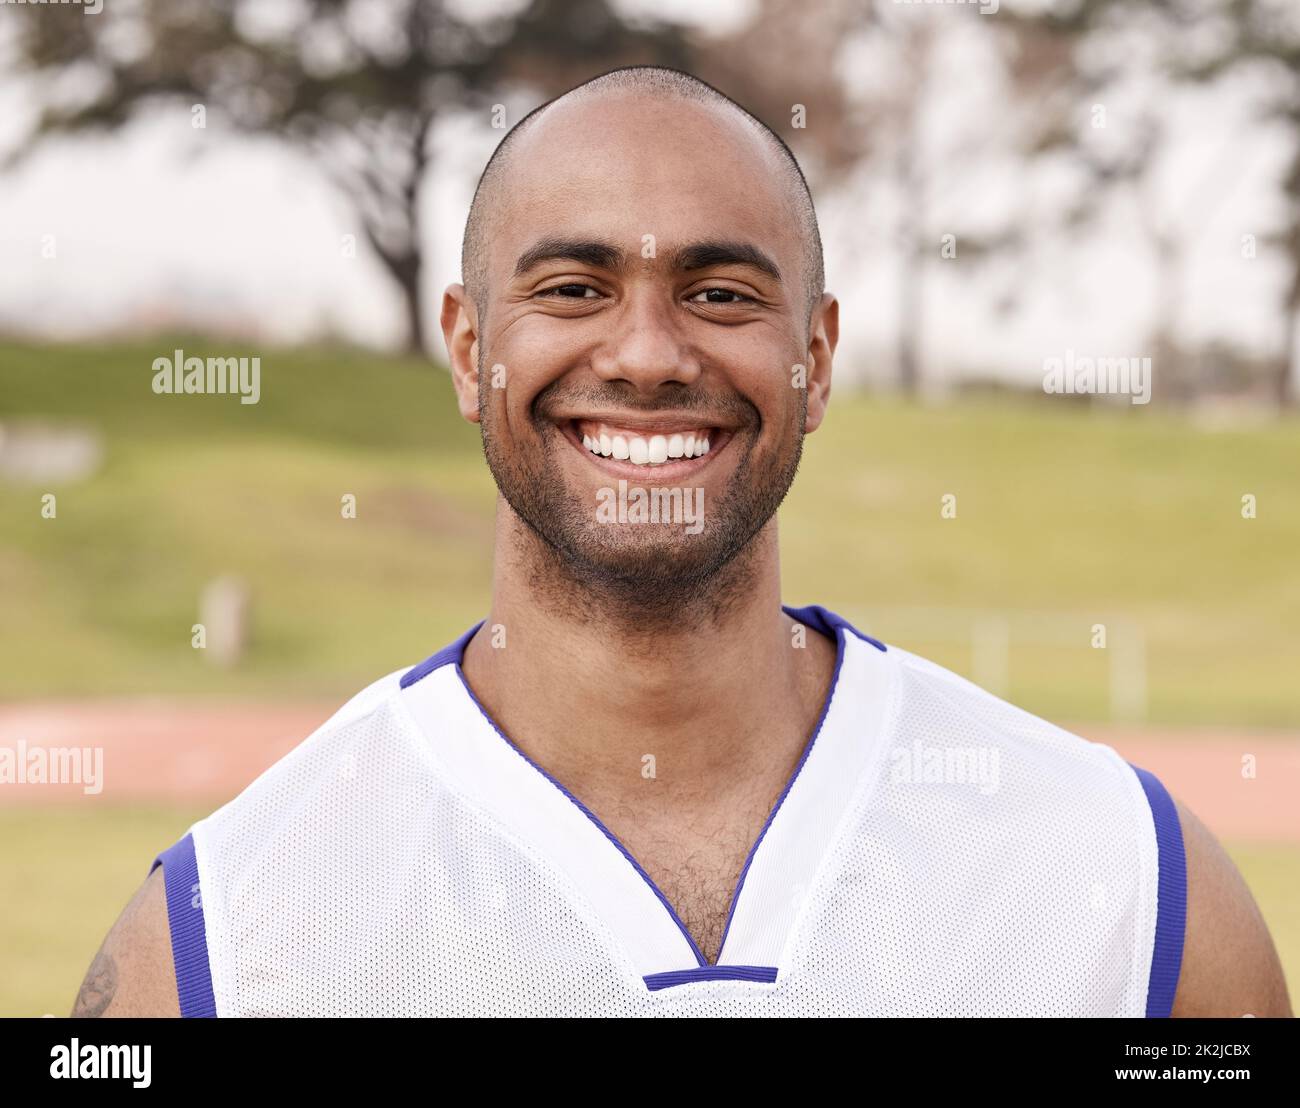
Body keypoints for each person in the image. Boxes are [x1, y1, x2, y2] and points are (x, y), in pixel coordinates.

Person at [73, 66, 1291, 1018]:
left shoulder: (1130, 893)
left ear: (814, 360)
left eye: (719, 293)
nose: (648, 354)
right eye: (570, 288)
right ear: (464, 347)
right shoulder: (223, 937)